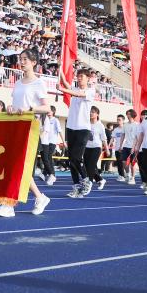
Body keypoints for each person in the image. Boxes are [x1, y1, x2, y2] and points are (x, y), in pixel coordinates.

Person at [0, 47, 52, 217]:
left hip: (30, 128)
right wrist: (10, 108)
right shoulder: (18, 82)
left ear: (34, 62)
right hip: (15, 127)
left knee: (18, 167)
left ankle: (9, 204)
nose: (21, 62)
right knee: (16, 166)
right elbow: (15, 105)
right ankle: (40, 197)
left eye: (25, 60)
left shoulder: (39, 83)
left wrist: (30, 108)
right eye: (20, 59)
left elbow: (47, 108)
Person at [57, 68, 96, 198]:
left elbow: (78, 94)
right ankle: (76, 187)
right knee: (71, 160)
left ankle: (86, 179)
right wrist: (60, 71)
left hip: (83, 129)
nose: (79, 79)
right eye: (78, 76)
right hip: (71, 127)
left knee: (76, 158)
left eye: (81, 77)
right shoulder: (74, 89)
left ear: (87, 78)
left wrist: (62, 89)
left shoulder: (90, 91)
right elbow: (66, 84)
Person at [35, 104, 62, 185]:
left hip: (45, 142)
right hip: (40, 141)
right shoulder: (39, 118)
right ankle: (44, 173)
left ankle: (51, 174)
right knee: (43, 158)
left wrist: (39, 139)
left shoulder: (47, 119)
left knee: (46, 159)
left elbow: (45, 131)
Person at [85, 106, 108, 190]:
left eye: (93, 112)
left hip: (96, 147)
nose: (91, 113)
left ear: (97, 114)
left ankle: (89, 183)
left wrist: (107, 149)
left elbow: (103, 138)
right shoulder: (86, 123)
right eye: (90, 112)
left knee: (91, 165)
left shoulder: (100, 125)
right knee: (87, 166)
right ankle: (100, 180)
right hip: (87, 147)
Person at [110, 114, 126, 182]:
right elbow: (112, 138)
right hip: (117, 148)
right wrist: (109, 145)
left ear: (123, 120)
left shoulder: (125, 128)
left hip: (124, 148)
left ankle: (125, 175)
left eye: (119, 120)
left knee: (123, 163)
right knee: (119, 162)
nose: (118, 121)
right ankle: (121, 175)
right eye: (117, 119)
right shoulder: (115, 129)